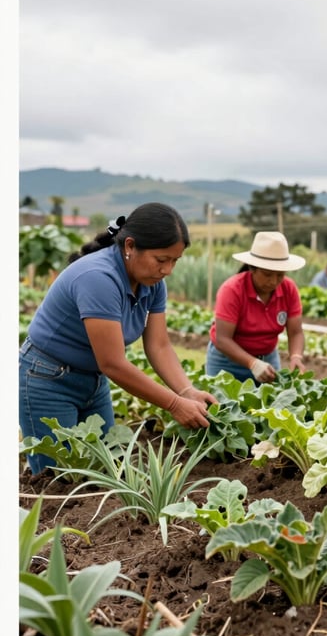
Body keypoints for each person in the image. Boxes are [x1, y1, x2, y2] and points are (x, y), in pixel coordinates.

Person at [19, 203, 217, 476]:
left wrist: (186, 391)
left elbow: (158, 345)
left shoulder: (152, 283)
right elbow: (112, 363)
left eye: (175, 261)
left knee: (107, 474)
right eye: (161, 260)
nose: (168, 269)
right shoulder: (98, 278)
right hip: (46, 380)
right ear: (130, 246)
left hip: (93, 382)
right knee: (59, 480)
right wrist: (173, 404)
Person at [206, 231, 307, 384]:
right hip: (226, 363)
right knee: (221, 405)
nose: (274, 281)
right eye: (267, 274)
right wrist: (252, 363)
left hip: (267, 360)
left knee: (270, 406)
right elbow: (222, 339)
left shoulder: (289, 289)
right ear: (252, 268)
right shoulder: (232, 290)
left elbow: (296, 332)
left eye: (280, 275)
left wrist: (296, 357)